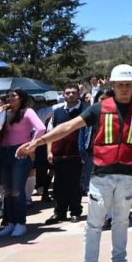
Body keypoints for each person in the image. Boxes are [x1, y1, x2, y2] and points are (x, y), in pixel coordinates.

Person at [17, 64, 132, 262]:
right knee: (94, 225)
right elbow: (68, 126)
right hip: (101, 175)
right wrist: (37, 142)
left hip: (129, 175)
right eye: (120, 85)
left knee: (121, 222)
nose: (125, 88)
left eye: (128, 84)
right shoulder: (99, 108)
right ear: (113, 85)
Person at [0, 88, 46, 237]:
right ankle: (10, 223)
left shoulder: (27, 112)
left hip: (20, 153)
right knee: (7, 191)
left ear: (21, 97)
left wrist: (30, 145)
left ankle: (20, 223)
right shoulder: (5, 113)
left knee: (17, 190)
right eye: (8, 96)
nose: (10, 98)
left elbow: (41, 128)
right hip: (3, 152)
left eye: (14, 95)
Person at [45, 83, 87, 224]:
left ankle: (76, 211)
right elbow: (50, 133)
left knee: (76, 185)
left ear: (79, 94)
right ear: (63, 95)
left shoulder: (85, 110)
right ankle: (60, 212)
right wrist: (49, 151)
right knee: (59, 186)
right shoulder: (56, 112)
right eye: (67, 92)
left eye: (73, 92)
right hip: (59, 154)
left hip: (78, 154)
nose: (70, 95)